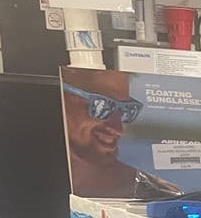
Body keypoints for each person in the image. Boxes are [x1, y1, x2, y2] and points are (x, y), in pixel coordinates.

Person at [62, 70, 180, 199]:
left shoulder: (155, 194)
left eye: (127, 109)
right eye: (101, 105)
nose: (118, 129)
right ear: (63, 100)